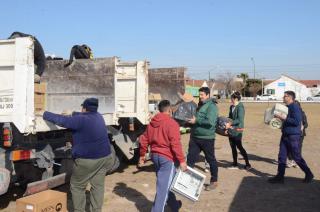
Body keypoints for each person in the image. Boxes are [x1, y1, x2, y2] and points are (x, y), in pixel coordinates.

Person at [43, 98, 113, 212]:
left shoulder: (80, 120)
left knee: (77, 186)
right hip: (105, 157)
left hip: (88, 160)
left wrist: (45, 113)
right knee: (98, 186)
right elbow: (83, 116)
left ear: (84, 108)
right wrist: (73, 113)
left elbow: (62, 120)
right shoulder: (99, 116)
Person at [139, 100, 187, 212]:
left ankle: (174, 205)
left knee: (165, 184)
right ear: (169, 110)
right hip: (167, 159)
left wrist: (142, 155)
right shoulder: (172, 123)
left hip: (155, 157)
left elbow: (144, 139)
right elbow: (175, 144)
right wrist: (182, 160)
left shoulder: (152, 123)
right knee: (163, 189)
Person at [268, 91, 314, 184]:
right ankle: (280, 177)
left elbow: (296, 121)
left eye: (285, 96)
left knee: (296, 157)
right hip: (285, 135)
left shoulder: (295, 107)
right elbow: (287, 120)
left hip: (293, 136)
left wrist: (283, 117)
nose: (283, 97)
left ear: (290, 97)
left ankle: (309, 174)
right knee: (281, 156)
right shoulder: (287, 107)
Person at [186, 87, 219, 191]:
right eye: (199, 95)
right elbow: (196, 118)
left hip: (207, 138)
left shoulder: (212, 106)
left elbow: (210, 122)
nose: (200, 97)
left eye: (202, 95)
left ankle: (214, 181)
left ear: (208, 95)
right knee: (190, 159)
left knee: (211, 159)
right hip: (195, 137)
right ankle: (186, 180)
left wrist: (196, 121)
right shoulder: (200, 105)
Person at [225, 91, 251, 170]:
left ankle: (248, 164)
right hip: (231, 129)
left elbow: (239, 120)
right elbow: (230, 117)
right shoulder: (231, 106)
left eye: (232, 99)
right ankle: (235, 164)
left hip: (238, 130)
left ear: (236, 99)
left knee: (239, 147)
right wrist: (225, 121)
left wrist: (230, 124)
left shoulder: (240, 107)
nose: (231, 100)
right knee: (232, 147)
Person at [287, 100, 308, 168]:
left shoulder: (302, 113)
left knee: (298, 148)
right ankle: (291, 160)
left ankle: (296, 162)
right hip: (290, 133)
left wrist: (303, 126)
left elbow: (306, 124)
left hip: (300, 134)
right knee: (289, 147)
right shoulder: (289, 113)